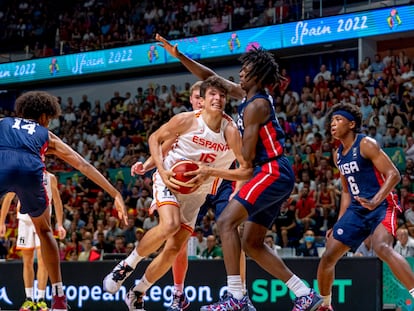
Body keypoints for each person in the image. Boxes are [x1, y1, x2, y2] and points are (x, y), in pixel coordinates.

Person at [155, 33, 322, 311]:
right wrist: (180, 56)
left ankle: (235, 298)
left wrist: (214, 153)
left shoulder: (256, 105)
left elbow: (245, 160)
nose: (240, 74)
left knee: (225, 222)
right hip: (272, 173)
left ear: (257, 74)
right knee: (252, 243)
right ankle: (303, 293)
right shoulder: (248, 95)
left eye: (245, 70)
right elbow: (211, 78)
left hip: (270, 170)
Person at [102, 76, 252, 310]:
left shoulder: (230, 130)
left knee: (173, 248)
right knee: (170, 225)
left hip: (197, 193)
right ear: (201, 100)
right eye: (213, 94)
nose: (218, 99)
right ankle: (126, 265)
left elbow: (246, 169)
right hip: (170, 179)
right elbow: (155, 138)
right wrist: (159, 168)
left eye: (222, 95)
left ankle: (138, 291)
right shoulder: (186, 120)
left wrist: (224, 182)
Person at [0, 90, 128, 311]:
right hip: (31, 171)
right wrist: (114, 192)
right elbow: (82, 164)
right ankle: (58, 297)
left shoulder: (4, 122)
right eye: (48, 120)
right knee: (45, 231)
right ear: (43, 117)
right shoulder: (46, 135)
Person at [316, 102, 414, 311]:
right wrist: (339, 222)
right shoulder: (338, 154)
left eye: (338, 120)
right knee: (328, 256)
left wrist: (376, 200)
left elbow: (394, 174)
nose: (333, 124)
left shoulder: (366, 144)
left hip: (381, 205)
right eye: (332, 121)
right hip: (357, 210)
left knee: (381, 247)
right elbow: (345, 191)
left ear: (351, 124)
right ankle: (325, 305)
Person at [0, 171, 66, 311]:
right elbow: (8, 198)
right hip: (25, 222)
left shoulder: (50, 178)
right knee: (27, 261)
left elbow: (57, 201)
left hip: (43, 222)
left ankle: (41, 300)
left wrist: (60, 224)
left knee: (43, 260)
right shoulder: (22, 174)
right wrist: (2, 223)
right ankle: (29, 299)